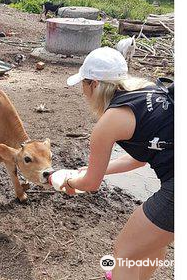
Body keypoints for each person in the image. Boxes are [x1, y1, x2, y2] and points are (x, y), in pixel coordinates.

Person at [60, 47, 174, 280]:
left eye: (83, 84)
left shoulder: (110, 122)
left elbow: (90, 184)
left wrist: (69, 180)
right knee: (151, 241)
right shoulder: (149, 91)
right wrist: (99, 170)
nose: (83, 91)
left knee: (125, 253)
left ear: (93, 84)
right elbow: (140, 158)